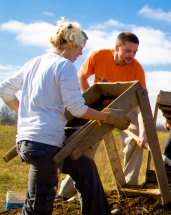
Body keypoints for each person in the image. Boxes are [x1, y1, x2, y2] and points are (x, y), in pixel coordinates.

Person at [0, 18, 131, 214]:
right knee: (39, 205)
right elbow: (78, 109)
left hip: (32, 142)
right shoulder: (64, 66)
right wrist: (107, 117)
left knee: (84, 167)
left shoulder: (34, 62)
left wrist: (26, 112)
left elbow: (5, 91)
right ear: (71, 44)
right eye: (80, 47)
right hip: (44, 145)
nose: (80, 53)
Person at [58, 31, 147, 199]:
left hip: (125, 109)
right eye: (128, 51)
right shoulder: (99, 56)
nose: (132, 56)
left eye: (135, 52)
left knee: (135, 139)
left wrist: (143, 132)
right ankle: (66, 192)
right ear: (116, 47)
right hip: (100, 108)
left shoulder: (136, 68)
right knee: (86, 144)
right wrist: (88, 101)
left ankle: (130, 186)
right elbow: (82, 76)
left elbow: (141, 104)